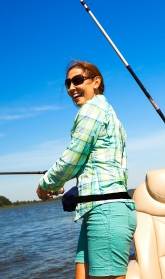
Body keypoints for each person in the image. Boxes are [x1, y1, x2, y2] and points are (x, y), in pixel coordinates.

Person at [36, 60, 137, 279]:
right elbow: (88, 163)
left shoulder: (92, 109)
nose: (71, 87)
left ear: (96, 82)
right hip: (96, 209)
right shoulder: (109, 113)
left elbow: (72, 158)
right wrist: (65, 185)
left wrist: (45, 185)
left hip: (106, 210)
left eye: (78, 80)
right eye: (68, 83)